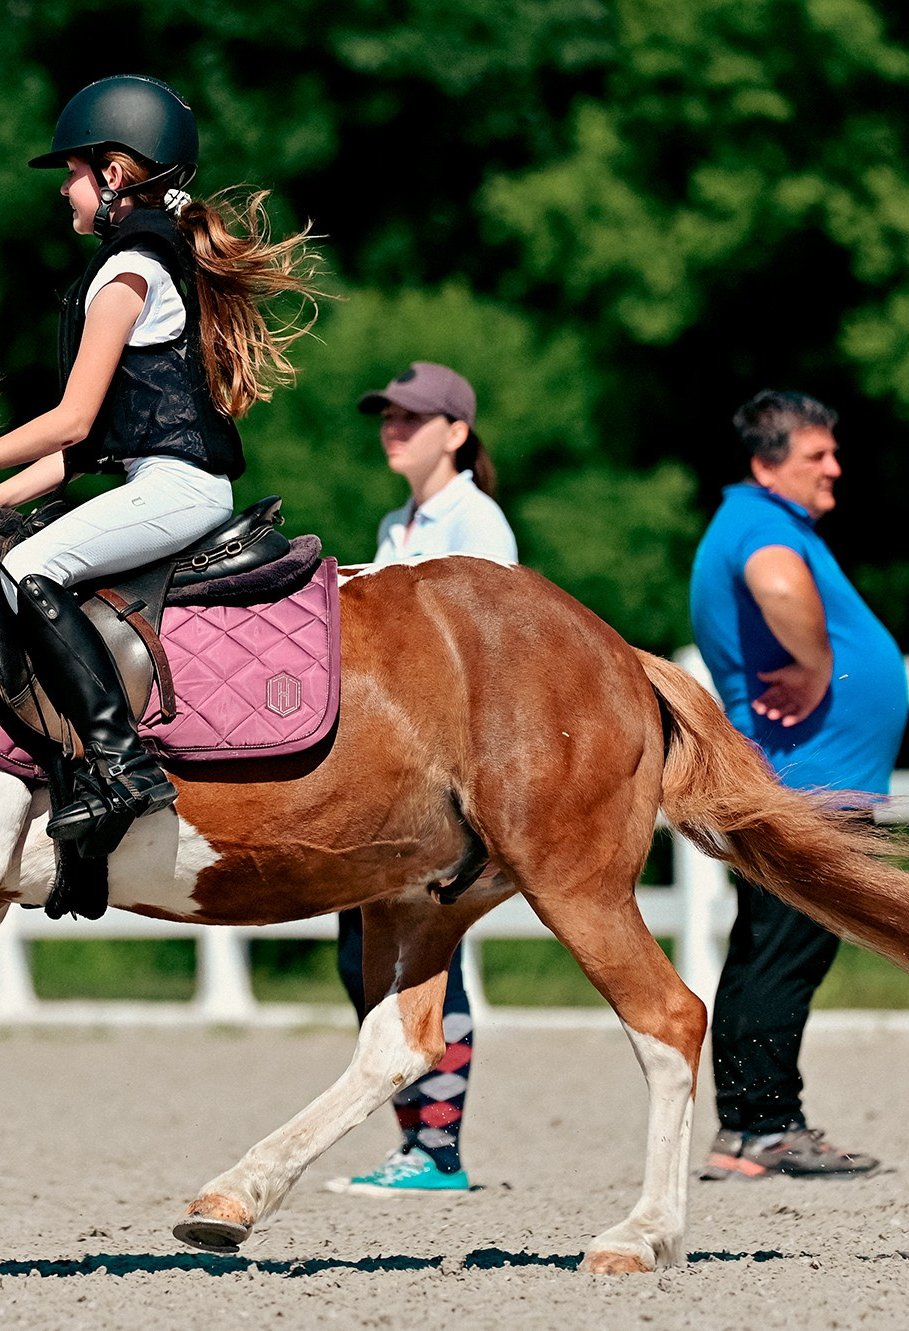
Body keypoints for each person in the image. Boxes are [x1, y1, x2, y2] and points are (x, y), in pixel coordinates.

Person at [0, 73, 321, 859]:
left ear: (115, 175)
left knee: (28, 570)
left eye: (73, 171)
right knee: (17, 551)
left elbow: (69, 419)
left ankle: (123, 766)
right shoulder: (141, 262)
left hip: (177, 488)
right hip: (162, 484)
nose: (63, 188)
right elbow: (75, 454)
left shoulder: (128, 274)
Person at [688, 389, 908, 1180]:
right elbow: (779, 587)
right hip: (805, 778)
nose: (835, 467)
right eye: (817, 454)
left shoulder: (750, 519)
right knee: (787, 950)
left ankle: (744, 1129)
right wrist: (816, 666)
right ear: (766, 463)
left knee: (767, 947)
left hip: (796, 774)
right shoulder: (761, 525)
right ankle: (770, 1126)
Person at [327, 362, 515, 1195]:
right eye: (389, 416)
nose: (393, 429)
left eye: (412, 417)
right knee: (364, 958)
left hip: (448, 781)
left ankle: (436, 1150)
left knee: (431, 955)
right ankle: (418, 1142)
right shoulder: (395, 525)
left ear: (456, 433)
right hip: (394, 784)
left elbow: (494, 653)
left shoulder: (478, 524)